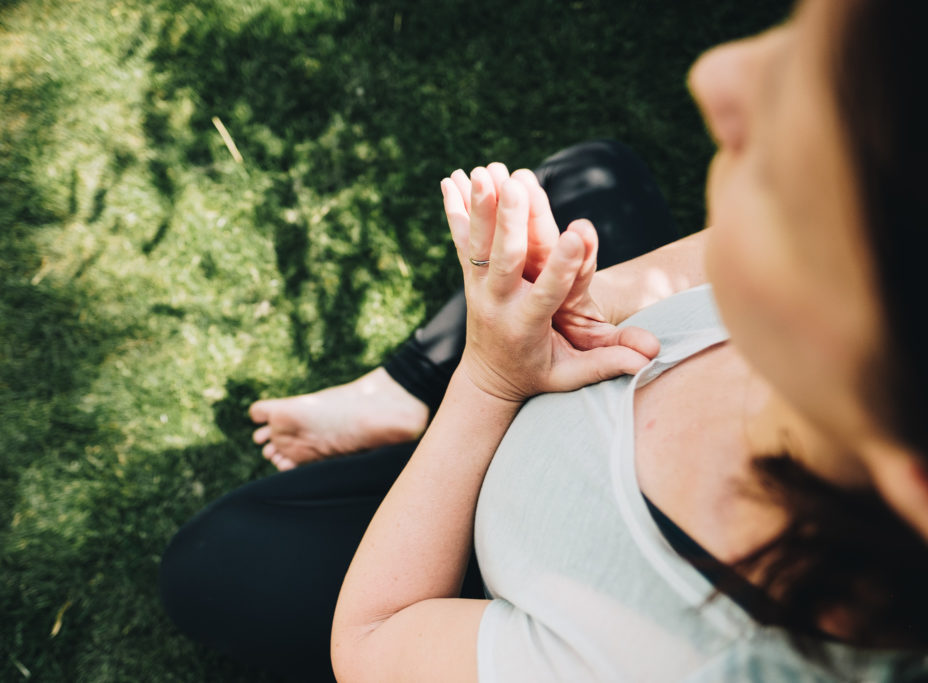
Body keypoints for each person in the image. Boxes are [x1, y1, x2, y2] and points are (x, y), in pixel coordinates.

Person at [161, 0, 928, 680]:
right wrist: (584, 298)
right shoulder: (863, 307)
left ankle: (430, 410)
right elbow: (717, 256)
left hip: (481, 535)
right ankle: (399, 395)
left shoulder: (668, 661)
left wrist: (490, 379)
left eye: (813, 145)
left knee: (216, 561)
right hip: (549, 397)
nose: (717, 73)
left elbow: (373, 637)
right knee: (599, 178)